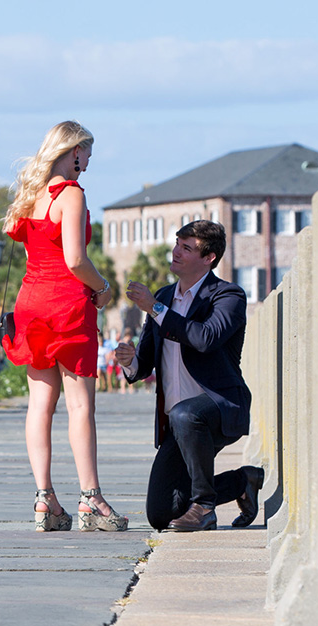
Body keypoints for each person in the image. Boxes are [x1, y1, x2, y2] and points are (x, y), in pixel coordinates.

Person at [2, 120, 128, 532]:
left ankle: (45, 501)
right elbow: (75, 259)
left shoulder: (32, 195)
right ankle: (91, 499)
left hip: (30, 303)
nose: (89, 162)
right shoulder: (70, 194)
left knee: (39, 406)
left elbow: (28, 250)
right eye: (88, 154)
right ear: (75, 151)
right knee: (80, 407)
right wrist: (104, 287)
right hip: (67, 306)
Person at [114, 220, 264, 531]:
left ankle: (205, 508)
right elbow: (145, 363)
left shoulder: (227, 296)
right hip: (178, 422)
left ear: (208, 258)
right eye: (177, 244)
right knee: (161, 514)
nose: (176, 252)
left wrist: (154, 308)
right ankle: (242, 480)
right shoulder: (165, 296)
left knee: (186, 413)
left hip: (219, 408)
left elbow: (206, 338)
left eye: (187, 247)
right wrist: (130, 361)